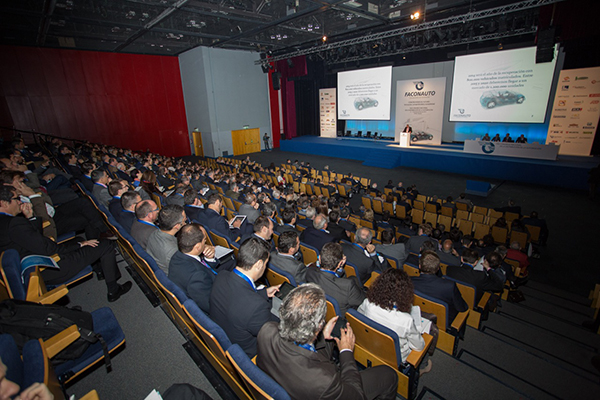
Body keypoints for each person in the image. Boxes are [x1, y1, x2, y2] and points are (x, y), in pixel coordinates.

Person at [256, 283, 398, 400]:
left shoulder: (266, 330)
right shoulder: (325, 381)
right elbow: (356, 395)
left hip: (287, 383)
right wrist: (346, 352)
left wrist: (323, 335)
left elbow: (308, 354)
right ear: (318, 325)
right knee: (388, 375)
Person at [0, 184, 131, 302]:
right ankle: (114, 290)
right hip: (50, 266)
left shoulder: (6, 223)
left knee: (84, 237)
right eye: (16, 199)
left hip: (36, 264)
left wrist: (31, 217)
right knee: (105, 245)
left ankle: (99, 268)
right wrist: (80, 245)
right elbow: (48, 248)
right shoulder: (14, 224)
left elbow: (34, 239)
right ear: (4, 203)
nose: (19, 202)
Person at [209, 237, 280, 357]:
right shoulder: (256, 307)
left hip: (226, 336)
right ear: (258, 264)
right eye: (266, 264)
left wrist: (264, 293)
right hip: (249, 353)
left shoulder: (222, 276)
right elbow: (275, 332)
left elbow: (238, 298)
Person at [358, 269, 433, 373]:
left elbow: (360, 316)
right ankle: (422, 368)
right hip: (396, 358)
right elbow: (419, 347)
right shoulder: (406, 320)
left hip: (371, 345)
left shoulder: (367, 304)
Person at [169, 223, 220, 314]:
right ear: (197, 246)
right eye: (204, 240)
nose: (205, 242)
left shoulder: (176, 256)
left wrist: (209, 259)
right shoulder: (197, 276)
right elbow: (210, 306)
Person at [306, 242, 365, 315]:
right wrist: (340, 266)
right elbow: (362, 301)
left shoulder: (310, 272)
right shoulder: (348, 285)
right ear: (341, 263)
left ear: (320, 259)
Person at [411, 250, 468, 324]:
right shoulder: (449, 286)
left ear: (419, 266)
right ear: (438, 268)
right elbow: (461, 307)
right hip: (442, 321)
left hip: (417, 315)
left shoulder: (409, 281)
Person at [147, 204, 187, 274]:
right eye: (184, 221)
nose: (185, 223)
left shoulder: (154, 233)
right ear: (177, 226)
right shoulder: (174, 251)